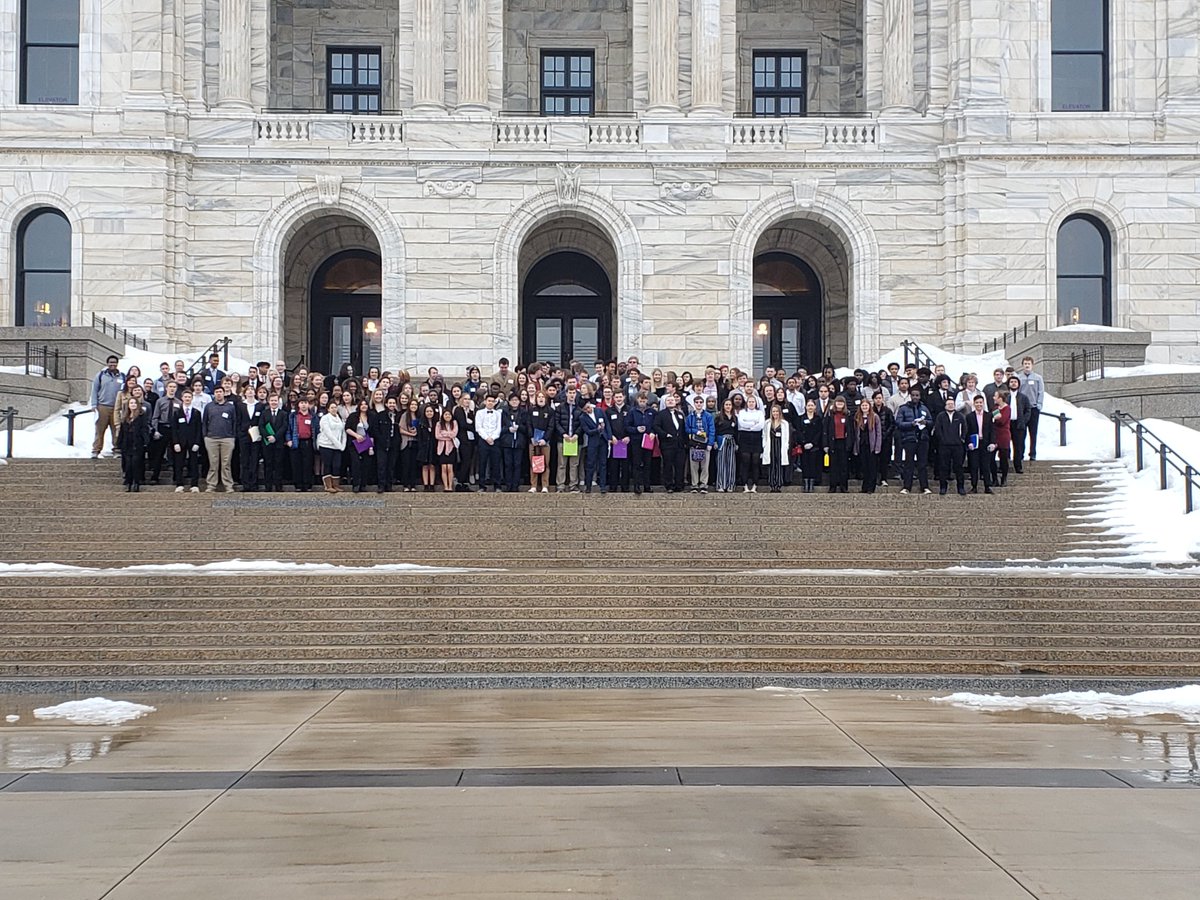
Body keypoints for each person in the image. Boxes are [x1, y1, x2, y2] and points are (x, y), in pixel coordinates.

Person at [895, 386, 932, 495]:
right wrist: (911, 424)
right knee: (908, 464)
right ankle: (907, 487)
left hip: (922, 439)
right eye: (913, 395)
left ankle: (924, 486)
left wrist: (925, 422)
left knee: (922, 464)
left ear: (920, 396)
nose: (915, 397)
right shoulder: (903, 408)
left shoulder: (924, 408)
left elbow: (931, 421)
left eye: (917, 395)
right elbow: (899, 423)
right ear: (910, 396)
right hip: (909, 439)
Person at [201, 385, 236, 492]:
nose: (219, 394)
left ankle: (228, 485)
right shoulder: (209, 406)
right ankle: (211, 485)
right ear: (214, 394)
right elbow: (205, 422)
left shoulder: (230, 407)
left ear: (224, 393)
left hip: (227, 438)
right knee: (213, 463)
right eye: (216, 392)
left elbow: (234, 422)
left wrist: (232, 436)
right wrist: (205, 436)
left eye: (220, 392)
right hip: (211, 438)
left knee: (226, 463)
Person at [90, 355, 124, 458]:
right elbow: (95, 390)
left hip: (116, 408)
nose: (112, 364)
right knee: (100, 430)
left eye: (114, 362)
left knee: (116, 430)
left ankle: (117, 450)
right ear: (107, 363)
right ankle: (96, 450)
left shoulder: (122, 376)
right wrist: (94, 404)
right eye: (110, 362)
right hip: (103, 406)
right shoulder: (100, 375)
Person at [933, 396, 968, 495]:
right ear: (945, 406)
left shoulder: (960, 416)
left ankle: (960, 487)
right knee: (943, 466)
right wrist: (942, 440)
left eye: (952, 404)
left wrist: (962, 439)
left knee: (959, 467)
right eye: (948, 404)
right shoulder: (941, 416)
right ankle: (943, 487)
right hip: (944, 445)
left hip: (957, 445)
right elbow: (938, 430)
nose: (950, 406)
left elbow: (965, 429)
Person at [653, 394, 688, 493]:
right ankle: (669, 485)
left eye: (672, 400)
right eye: (668, 400)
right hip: (667, 444)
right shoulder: (661, 414)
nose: (671, 402)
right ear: (665, 402)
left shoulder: (680, 414)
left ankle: (679, 485)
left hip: (679, 444)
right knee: (668, 465)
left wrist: (685, 442)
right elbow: (656, 426)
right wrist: (665, 435)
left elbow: (683, 429)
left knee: (679, 465)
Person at [172, 389, 203, 492]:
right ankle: (179, 484)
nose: (187, 399)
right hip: (180, 442)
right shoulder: (177, 413)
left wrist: (197, 443)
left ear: (192, 398)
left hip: (193, 442)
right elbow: (174, 429)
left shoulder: (196, 413)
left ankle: (194, 485)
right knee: (179, 463)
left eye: (189, 397)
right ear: (182, 398)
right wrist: (175, 442)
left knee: (193, 463)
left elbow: (199, 429)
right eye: (185, 397)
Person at [117, 397, 150, 491]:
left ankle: (136, 482)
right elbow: (122, 432)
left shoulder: (141, 416)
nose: (133, 405)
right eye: (131, 403)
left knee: (135, 464)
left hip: (137, 443)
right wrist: (119, 443)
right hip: (127, 444)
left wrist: (145, 440)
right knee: (127, 465)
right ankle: (128, 482)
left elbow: (144, 429)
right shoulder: (125, 417)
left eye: (135, 403)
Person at [236, 384, 265, 492]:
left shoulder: (260, 406)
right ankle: (245, 484)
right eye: (248, 390)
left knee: (254, 459)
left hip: (256, 436)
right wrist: (240, 432)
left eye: (252, 390)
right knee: (244, 460)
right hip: (244, 436)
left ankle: (254, 484)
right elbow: (238, 420)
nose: (250, 391)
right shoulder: (240, 405)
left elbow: (262, 421)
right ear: (245, 393)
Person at [626, 392, 656, 495]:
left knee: (648, 464)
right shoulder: (632, 412)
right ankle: (637, 486)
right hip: (636, 440)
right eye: (640, 401)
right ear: (637, 400)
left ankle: (647, 486)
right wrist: (636, 429)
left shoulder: (651, 412)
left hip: (648, 440)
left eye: (644, 401)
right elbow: (627, 426)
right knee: (637, 464)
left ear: (647, 401)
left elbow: (655, 425)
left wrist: (652, 432)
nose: (642, 403)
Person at [965, 394, 995, 494]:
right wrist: (969, 442)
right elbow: (967, 431)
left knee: (985, 466)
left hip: (985, 443)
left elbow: (992, 430)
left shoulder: (989, 415)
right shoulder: (969, 416)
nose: (979, 404)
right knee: (974, 466)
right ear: (974, 404)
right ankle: (974, 486)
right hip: (974, 444)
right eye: (977, 402)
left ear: (983, 403)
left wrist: (992, 443)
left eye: (980, 402)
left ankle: (987, 486)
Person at [555, 386, 583, 492]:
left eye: (573, 392)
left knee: (574, 464)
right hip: (563, 440)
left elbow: (581, 424)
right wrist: (563, 434)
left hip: (575, 440)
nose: (572, 395)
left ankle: (573, 484)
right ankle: (560, 485)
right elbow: (556, 422)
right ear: (566, 393)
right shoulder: (560, 408)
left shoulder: (579, 409)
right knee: (562, 464)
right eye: (570, 392)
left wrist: (576, 434)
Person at [685, 394, 715, 494]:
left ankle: (703, 484)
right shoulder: (690, 416)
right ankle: (694, 484)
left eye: (700, 402)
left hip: (705, 443)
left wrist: (710, 443)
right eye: (697, 402)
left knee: (705, 465)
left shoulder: (708, 416)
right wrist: (695, 431)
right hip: (694, 442)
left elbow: (711, 430)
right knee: (694, 465)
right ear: (694, 404)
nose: (699, 404)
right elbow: (687, 429)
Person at [259, 393, 289, 492]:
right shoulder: (264, 413)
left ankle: (278, 486)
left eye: (275, 400)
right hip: (267, 443)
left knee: (278, 465)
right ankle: (268, 486)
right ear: (269, 401)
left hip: (279, 443)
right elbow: (261, 426)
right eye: (272, 400)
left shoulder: (283, 414)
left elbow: (284, 427)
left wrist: (275, 437)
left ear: (278, 401)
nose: (274, 402)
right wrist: (268, 437)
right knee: (268, 464)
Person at [851, 397, 881, 493]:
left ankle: (871, 487)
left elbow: (878, 433)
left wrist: (877, 447)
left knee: (872, 467)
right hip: (862, 445)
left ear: (869, 406)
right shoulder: (857, 417)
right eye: (863, 405)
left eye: (866, 405)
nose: (864, 407)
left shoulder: (875, 417)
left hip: (871, 445)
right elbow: (856, 434)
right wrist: (856, 448)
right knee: (864, 467)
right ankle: (864, 487)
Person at [580, 399, 611, 494]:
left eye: (588, 407)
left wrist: (609, 437)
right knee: (590, 464)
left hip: (603, 440)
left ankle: (602, 486)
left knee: (603, 464)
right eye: (585, 409)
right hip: (593, 442)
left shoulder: (599, 410)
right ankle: (588, 486)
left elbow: (607, 424)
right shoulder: (583, 418)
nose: (588, 410)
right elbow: (587, 431)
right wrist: (597, 430)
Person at [735, 394, 764, 492]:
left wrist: (749, 425)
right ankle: (745, 485)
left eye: (753, 402)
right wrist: (753, 424)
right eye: (749, 402)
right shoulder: (742, 412)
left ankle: (755, 485)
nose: (751, 403)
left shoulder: (760, 413)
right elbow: (741, 423)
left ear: (756, 403)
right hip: (744, 438)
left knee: (755, 462)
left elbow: (760, 425)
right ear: (747, 403)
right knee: (745, 462)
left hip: (756, 438)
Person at [286, 398, 317, 492]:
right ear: (298, 405)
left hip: (308, 442)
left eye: (305, 403)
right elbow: (288, 429)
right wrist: (288, 440)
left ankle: (307, 484)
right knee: (296, 464)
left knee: (308, 464)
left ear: (308, 404)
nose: (304, 405)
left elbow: (317, 429)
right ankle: (298, 485)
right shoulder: (293, 416)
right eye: (302, 403)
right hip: (296, 441)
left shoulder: (313, 416)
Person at [1018, 356, 1045, 461]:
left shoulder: (1038, 378)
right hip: (1023, 409)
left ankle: (1032, 453)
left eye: (1029, 364)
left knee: (1033, 432)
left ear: (1032, 365)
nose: (1027, 366)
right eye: (1025, 363)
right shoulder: (1019, 378)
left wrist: (1039, 404)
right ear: (1022, 365)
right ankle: (1021, 453)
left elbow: (1041, 392)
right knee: (1021, 433)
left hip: (1033, 408)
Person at [823, 395, 852, 493]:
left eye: (841, 402)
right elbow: (825, 431)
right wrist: (825, 444)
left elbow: (850, 431)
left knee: (844, 466)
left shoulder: (847, 415)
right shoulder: (830, 415)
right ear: (834, 403)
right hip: (833, 442)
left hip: (843, 442)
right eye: (838, 402)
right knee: (833, 466)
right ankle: (833, 486)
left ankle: (843, 486)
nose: (839, 404)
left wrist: (849, 444)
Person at [317, 400, 346, 493]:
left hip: (338, 447)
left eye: (335, 407)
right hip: (326, 445)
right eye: (332, 407)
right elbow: (328, 433)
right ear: (328, 409)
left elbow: (343, 432)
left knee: (337, 465)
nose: (334, 409)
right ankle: (328, 485)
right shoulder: (325, 418)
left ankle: (336, 485)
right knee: (327, 465)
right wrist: (338, 444)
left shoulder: (339, 418)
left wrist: (343, 445)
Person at [475, 393, 503, 492]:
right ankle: (482, 486)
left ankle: (497, 485)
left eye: (492, 401)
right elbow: (478, 427)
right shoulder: (479, 413)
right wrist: (487, 438)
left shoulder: (498, 414)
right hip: (483, 440)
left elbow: (498, 428)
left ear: (495, 403)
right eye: (489, 401)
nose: (490, 403)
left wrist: (493, 438)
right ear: (485, 402)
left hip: (495, 440)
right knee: (482, 463)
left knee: (496, 463)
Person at [346, 399, 375, 493]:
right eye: (361, 404)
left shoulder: (372, 416)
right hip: (355, 443)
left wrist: (371, 444)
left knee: (366, 464)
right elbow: (347, 428)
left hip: (367, 443)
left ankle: (363, 484)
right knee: (356, 463)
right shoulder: (353, 416)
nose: (363, 406)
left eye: (365, 404)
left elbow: (373, 431)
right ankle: (356, 484)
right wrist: (356, 436)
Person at [528, 391, 554, 493]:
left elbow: (551, 426)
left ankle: (544, 486)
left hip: (545, 442)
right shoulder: (531, 410)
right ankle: (533, 485)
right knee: (533, 463)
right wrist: (531, 437)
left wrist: (545, 439)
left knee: (545, 464)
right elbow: (528, 424)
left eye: (543, 397)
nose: (541, 398)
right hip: (533, 441)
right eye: (539, 397)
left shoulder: (550, 411)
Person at [1006, 374, 1031, 474]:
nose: (1013, 383)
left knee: (1019, 446)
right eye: (1011, 382)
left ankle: (1018, 466)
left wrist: (1024, 421)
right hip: (1006, 424)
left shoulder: (1023, 397)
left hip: (1019, 424)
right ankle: (1005, 465)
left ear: (1018, 384)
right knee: (1005, 446)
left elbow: (1028, 410)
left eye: (1015, 382)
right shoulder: (1004, 396)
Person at [763, 403, 791, 493]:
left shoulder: (784, 423)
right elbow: (764, 435)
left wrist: (786, 446)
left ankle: (778, 485)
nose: (775, 413)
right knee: (771, 465)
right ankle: (772, 484)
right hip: (770, 445)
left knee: (779, 464)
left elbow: (787, 436)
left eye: (777, 411)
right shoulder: (767, 423)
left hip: (780, 445)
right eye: (773, 411)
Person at [606, 392, 631, 492]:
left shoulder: (630, 410)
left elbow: (633, 424)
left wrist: (629, 436)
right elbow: (607, 426)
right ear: (613, 398)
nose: (619, 399)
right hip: (614, 442)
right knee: (613, 465)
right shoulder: (609, 411)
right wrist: (611, 436)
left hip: (626, 442)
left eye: (620, 397)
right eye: (616, 397)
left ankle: (625, 487)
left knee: (626, 466)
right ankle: (613, 487)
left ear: (624, 397)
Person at [796, 399, 823, 493]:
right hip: (804, 446)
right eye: (809, 405)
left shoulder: (818, 419)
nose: (810, 407)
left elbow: (819, 432)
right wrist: (803, 443)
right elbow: (798, 431)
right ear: (806, 407)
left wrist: (813, 443)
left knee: (813, 464)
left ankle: (811, 484)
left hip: (814, 446)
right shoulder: (801, 418)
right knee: (805, 464)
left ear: (815, 407)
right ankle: (805, 483)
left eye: (812, 405)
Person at [714, 398, 738, 493]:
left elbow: (736, 432)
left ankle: (730, 485)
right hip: (721, 440)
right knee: (721, 463)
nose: (728, 406)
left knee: (731, 463)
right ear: (723, 406)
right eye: (726, 405)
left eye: (729, 405)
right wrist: (715, 442)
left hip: (731, 441)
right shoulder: (718, 417)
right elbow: (715, 430)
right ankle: (720, 484)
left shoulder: (734, 418)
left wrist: (737, 443)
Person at [435, 407, 460, 492]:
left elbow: (454, 434)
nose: (447, 416)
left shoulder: (454, 423)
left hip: (451, 447)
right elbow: (437, 436)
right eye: (445, 414)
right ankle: (445, 486)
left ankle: (450, 486)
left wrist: (444, 433)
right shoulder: (439, 424)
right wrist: (448, 435)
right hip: (441, 448)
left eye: (449, 414)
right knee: (443, 467)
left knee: (450, 467)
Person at [992, 390, 1013, 487]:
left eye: (995, 396)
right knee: (991, 457)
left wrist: (997, 418)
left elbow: (1001, 420)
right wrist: (996, 418)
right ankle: (994, 478)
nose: (993, 398)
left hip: (1004, 435)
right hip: (995, 435)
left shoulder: (1007, 408)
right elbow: (994, 419)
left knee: (1004, 458)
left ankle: (1004, 478)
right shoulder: (995, 408)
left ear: (1000, 398)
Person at [417, 403, 439, 491]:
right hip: (424, 446)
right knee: (425, 466)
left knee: (432, 465)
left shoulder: (437, 423)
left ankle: (432, 484)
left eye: (431, 411)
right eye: (427, 411)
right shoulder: (421, 423)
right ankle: (426, 485)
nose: (429, 413)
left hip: (433, 446)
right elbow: (419, 437)